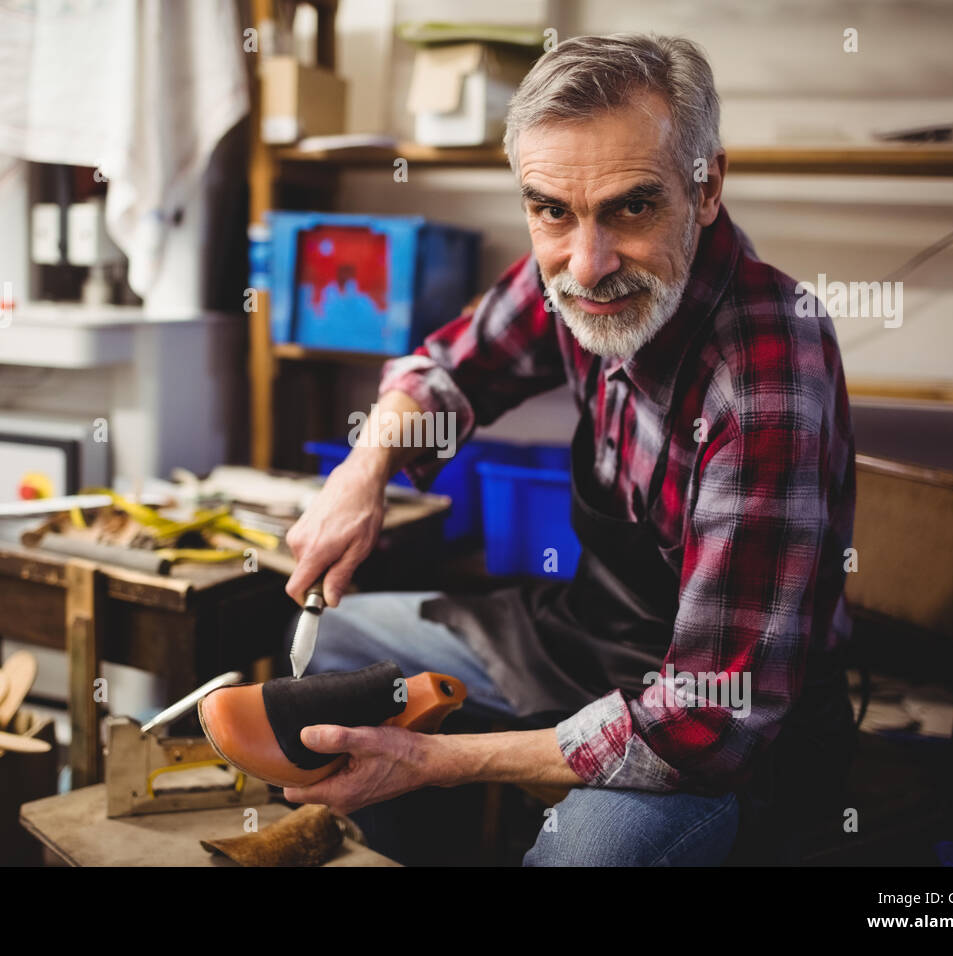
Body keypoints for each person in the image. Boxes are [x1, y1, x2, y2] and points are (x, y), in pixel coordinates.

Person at [279, 33, 857, 866]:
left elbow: (706, 718)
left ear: (706, 187)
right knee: (334, 653)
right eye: (552, 210)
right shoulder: (583, 271)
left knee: (580, 858)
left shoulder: (768, 371)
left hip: (732, 729)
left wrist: (441, 763)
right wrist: (362, 471)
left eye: (632, 207)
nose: (587, 265)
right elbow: (445, 371)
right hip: (586, 641)